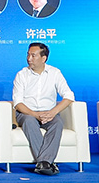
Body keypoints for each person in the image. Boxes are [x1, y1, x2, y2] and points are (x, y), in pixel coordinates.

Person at [12, 43, 74, 175]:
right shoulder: (22, 75)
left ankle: (42, 163)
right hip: (27, 113)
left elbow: (69, 96)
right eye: (28, 55)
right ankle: (46, 162)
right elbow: (18, 103)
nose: (29, 58)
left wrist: (53, 112)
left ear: (43, 58)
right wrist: (35, 114)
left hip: (49, 113)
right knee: (29, 121)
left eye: (33, 55)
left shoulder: (55, 73)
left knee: (57, 123)